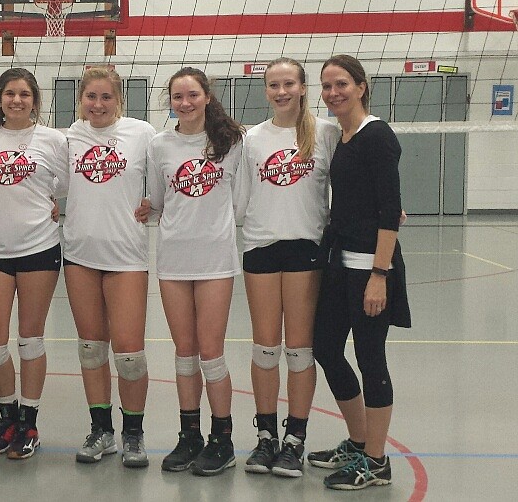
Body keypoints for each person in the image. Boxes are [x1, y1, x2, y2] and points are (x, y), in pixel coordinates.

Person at [309, 54, 410, 491]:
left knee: (372, 361)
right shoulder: (343, 137)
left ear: (362, 86)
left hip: (372, 270)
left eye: (342, 84)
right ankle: (357, 440)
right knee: (326, 348)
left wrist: (379, 274)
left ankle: (377, 461)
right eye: (327, 86)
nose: (334, 93)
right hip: (340, 266)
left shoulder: (377, 136)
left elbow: (390, 210)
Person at [239, 57, 341, 477]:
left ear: (303, 88)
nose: (281, 92)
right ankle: (266, 438)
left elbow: (350, 183)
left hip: (305, 249)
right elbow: (238, 195)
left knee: (299, 350)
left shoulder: (327, 134)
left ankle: (294, 440)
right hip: (261, 246)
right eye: (273, 85)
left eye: (289, 84)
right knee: (265, 348)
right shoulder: (252, 139)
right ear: (266, 91)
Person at [148, 67, 245, 477]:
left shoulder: (233, 142)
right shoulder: (159, 145)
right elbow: (156, 201)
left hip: (215, 260)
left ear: (207, 96)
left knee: (211, 353)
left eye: (191, 95)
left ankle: (222, 439)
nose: (184, 103)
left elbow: (241, 201)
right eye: (177, 96)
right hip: (172, 260)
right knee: (184, 354)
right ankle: (190, 435)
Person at [0, 67, 68, 460]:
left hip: (39, 249)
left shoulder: (53, 139)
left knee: (30, 340)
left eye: (24, 94)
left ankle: (28, 422)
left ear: (34, 100)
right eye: (9, 94)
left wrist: (50, 207)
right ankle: (7, 416)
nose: (16, 100)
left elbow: (64, 186)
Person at [63, 67, 156, 468]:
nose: (97, 105)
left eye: (105, 98)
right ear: (80, 99)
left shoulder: (142, 134)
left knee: (130, 354)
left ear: (118, 100)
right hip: (80, 254)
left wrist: (154, 203)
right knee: (90, 348)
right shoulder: (68, 137)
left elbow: (162, 182)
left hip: (126, 257)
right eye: (90, 97)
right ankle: (101, 429)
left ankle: (133, 434)